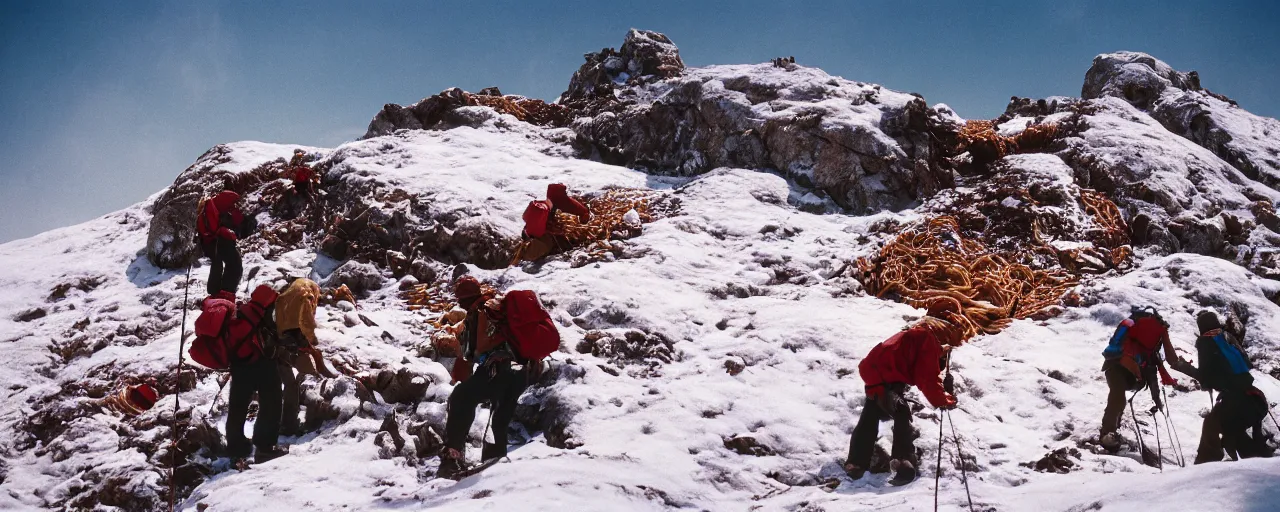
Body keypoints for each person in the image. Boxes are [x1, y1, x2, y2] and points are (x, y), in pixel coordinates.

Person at [845, 305, 962, 484]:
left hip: (874, 371)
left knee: (872, 411)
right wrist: (943, 400)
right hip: (886, 376)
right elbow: (927, 378)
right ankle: (902, 461)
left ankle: (856, 462)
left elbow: (917, 367)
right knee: (901, 411)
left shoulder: (915, 333)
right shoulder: (927, 340)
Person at [437, 276, 532, 479]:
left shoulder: (481, 311)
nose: (460, 303)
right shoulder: (496, 307)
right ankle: (496, 463)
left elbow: (479, 347)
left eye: (461, 299)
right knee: (499, 419)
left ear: (465, 298)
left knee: (461, 397)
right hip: (521, 371)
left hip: (498, 369)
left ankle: (453, 457)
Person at [1172, 311, 1273, 463]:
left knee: (1212, 426)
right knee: (1233, 431)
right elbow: (1246, 364)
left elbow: (1206, 378)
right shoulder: (1228, 338)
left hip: (1233, 400)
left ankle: (1205, 466)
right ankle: (1260, 461)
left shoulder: (1205, 341)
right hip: (1254, 398)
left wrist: (1183, 367)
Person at [1097, 307, 1181, 452]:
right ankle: (1111, 431)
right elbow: (1170, 356)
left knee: (1117, 396)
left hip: (1115, 366)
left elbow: (1112, 347)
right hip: (1136, 376)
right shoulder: (1159, 330)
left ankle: (1109, 433)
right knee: (1119, 398)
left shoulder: (1129, 324)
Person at [224, 284, 289, 464]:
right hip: (261, 364)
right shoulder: (266, 314)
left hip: (238, 366)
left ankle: (236, 449)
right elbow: (277, 337)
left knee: (237, 407)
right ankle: (265, 448)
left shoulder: (241, 311)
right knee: (271, 403)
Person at [273, 278, 323, 436]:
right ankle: (288, 425)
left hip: (273, 347)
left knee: (281, 385)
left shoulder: (284, 298)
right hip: (280, 349)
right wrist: (310, 342)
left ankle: (280, 422)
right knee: (290, 385)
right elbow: (304, 325)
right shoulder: (303, 297)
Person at [196, 190, 253, 295]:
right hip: (216, 241)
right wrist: (227, 232)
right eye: (233, 203)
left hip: (214, 241)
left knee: (223, 264)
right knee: (231, 264)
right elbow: (214, 229)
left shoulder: (213, 206)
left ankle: (221, 291)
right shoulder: (211, 209)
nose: (235, 206)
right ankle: (224, 292)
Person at [516, 183, 591, 262]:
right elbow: (536, 231)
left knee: (564, 243)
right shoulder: (542, 209)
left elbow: (570, 205)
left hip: (540, 232)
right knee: (544, 245)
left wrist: (583, 213)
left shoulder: (554, 202)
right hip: (537, 237)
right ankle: (523, 258)